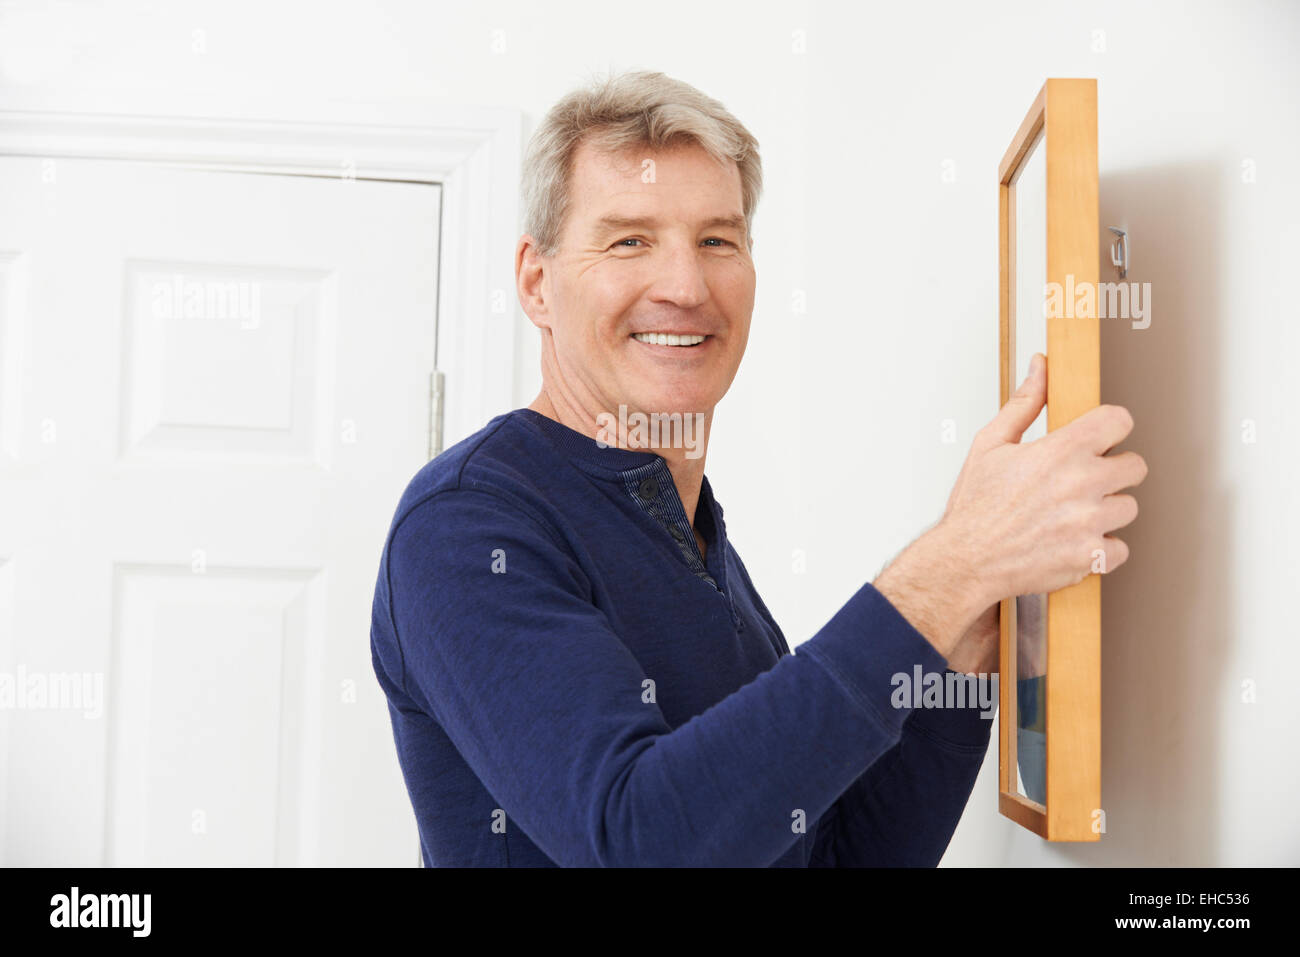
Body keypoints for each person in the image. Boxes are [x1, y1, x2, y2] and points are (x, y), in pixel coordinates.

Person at [369, 69, 1147, 867]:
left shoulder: (692, 532)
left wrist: (969, 638)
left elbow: (833, 857)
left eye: (717, 239)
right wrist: (951, 563)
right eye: (629, 239)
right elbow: (642, 843)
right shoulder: (467, 525)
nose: (685, 285)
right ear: (537, 282)